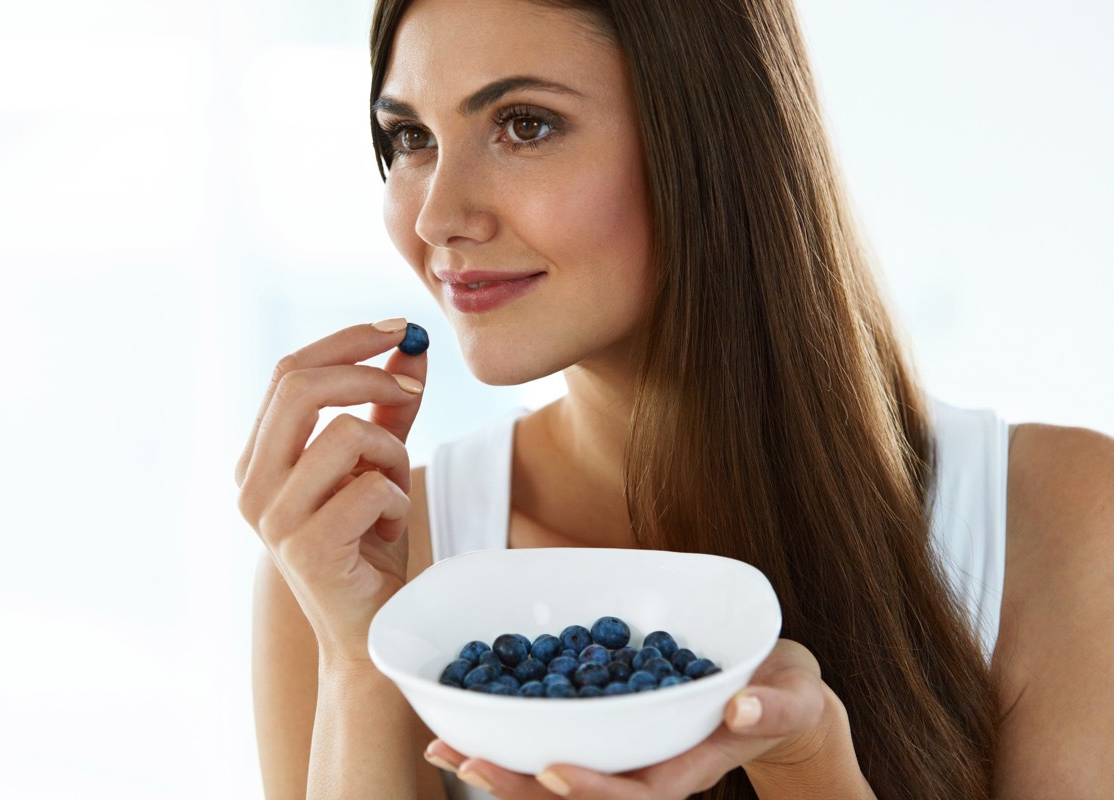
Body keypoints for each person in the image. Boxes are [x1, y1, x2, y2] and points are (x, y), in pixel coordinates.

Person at [234, 0, 1114, 797]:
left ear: (713, 139)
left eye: (524, 125)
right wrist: (360, 662)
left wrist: (810, 774)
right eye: (410, 139)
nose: (436, 216)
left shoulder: (1063, 519)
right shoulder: (355, 564)